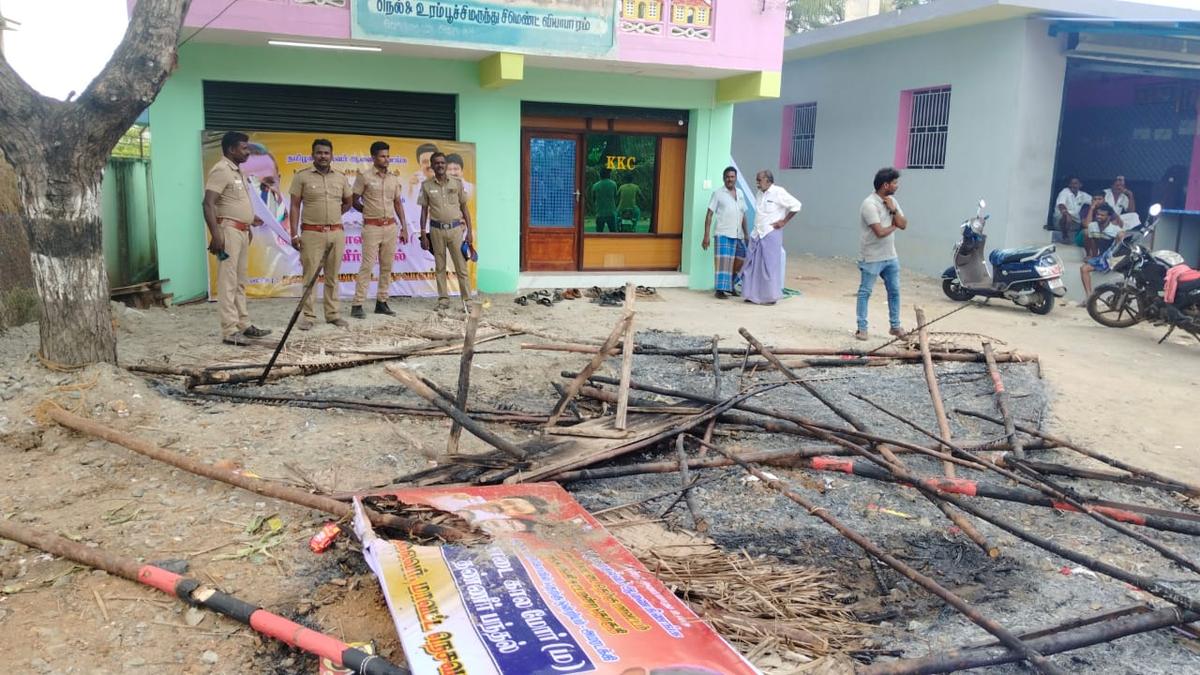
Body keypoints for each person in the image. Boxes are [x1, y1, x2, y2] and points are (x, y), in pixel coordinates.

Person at [203, 131, 271, 346]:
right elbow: (208, 204)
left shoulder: (237, 170)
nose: (247, 151)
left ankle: (244, 324)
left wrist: (250, 219)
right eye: (244, 148)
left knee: (240, 281)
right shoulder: (221, 170)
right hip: (228, 232)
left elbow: (234, 202)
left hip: (241, 231)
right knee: (228, 282)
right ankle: (229, 330)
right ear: (232, 149)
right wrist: (216, 234)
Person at [288, 138, 353, 330]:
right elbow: (294, 205)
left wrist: (333, 216)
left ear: (332, 155)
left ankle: (333, 315)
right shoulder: (302, 177)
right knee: (310, 277)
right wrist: (293, 234)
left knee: (332, 276)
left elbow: (348, 202)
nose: (323, 156)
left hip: (336, 233)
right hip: (311, 233)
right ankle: (308, 316)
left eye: (326, 153)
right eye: (319, 153)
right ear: (312, 155)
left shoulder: (340, 178)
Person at [351, 141, 409, 319]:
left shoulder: (393, 178)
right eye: (383, 156)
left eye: (388, 156)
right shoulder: (364, 177)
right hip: (372, 228)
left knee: (387, 266)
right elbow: (354, 200)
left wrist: (404, 227)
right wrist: (367, 213)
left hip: (390, 227)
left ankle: (381, 303)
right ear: (374, 157)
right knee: (367, 266)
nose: (386, 159)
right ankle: (357, 304)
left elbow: (398, 203)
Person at [856, 167, 908, 341]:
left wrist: (893, 211)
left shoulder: (892, 201)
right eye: (894, 183)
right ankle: (862, 328)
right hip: (872, 256)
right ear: (885, 185)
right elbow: (880, 232)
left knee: (894, 291)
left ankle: (895, 326)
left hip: (890, 256)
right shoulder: (869, 204)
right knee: (865, 292)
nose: (897, 186)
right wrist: (894, 226)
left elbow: (904, 224)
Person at [419, 152, 473, 311]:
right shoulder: (426, 185)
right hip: (436, 231)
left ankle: (467, 301)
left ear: (446, 164)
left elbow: (465, 208)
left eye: (442, 162)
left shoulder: (456, 183)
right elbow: (423, 211)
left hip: (456, 230)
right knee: (440, 267)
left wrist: (469, 231)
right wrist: (423, 233)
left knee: (461, 267)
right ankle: (443, 300)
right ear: (432, 165)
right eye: (437, 163)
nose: (440, 165)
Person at [741, 170, 801, 305]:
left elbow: (796, 205)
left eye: (759, 180)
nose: (757, 183)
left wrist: (784, 221)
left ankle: (769, 297)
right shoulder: (759, 194)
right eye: (756, 180)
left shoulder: (778, 192)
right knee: (752, 265)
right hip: (757, 233)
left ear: (768, 180)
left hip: (771, 233)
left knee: (769, 267)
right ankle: (752, 296)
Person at [701, 166, 749, 299]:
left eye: (732, 177)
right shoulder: (718, 194)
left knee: (742, 258)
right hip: (723, 233)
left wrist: (746, 234)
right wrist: (706, 236)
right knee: (723, 263)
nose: (730, 179)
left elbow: (743, 214)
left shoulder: (740, 193)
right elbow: (709, 214)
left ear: (736, 178)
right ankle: (720, 291)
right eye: (727, 177)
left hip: (738, 234)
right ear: (724, 178)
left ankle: (731, 286)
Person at [1079, 202, 1128, 296]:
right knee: (1084, 269)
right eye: (1097, 214)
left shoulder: (1116, 230)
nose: (1099, 216)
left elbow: (1121, 247)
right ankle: (1089, 297)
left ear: (1109, 217)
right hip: (1101, 258)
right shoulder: (1092, 226)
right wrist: (1093, 256)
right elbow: (1094, 242)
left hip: (1113, 259)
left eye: (1102, 215)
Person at [1053, 177, 1090, 242]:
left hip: (1075, 222)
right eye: (1071, 183)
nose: (1072, 185)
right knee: (1066, 216)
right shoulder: (1065, 191)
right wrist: (1067, 214)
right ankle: (1065, 236)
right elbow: (1061, 205)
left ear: (1080, 185)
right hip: (1060, 221)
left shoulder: (1083, 195)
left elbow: (1093, 201)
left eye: (1075, 183)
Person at [590, 167, 619, 233]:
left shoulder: (595, 186)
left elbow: (593, 199)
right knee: (613, 232)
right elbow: (615, 197)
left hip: (599, 213)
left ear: (600, 175)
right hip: (611, 212)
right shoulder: (613, 184)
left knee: (599, 233)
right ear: (609, 175)